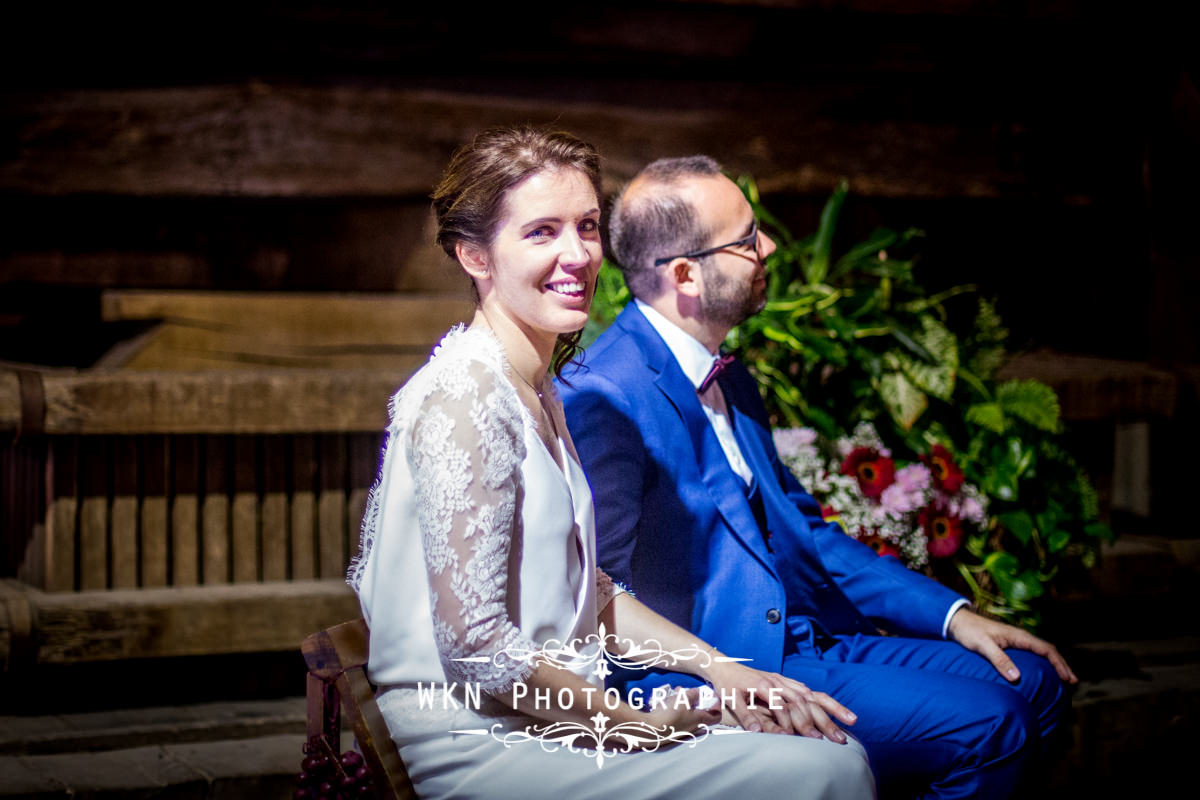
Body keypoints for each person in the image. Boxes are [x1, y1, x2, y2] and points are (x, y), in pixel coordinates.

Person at [347, 129, 875, 800]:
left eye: (588, 226)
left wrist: (722, 671)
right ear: (475, 254)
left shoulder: (534, 384)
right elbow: (479, 650)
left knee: (821, 743)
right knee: (831, 769)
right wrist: (635, 723)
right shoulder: (464, 398)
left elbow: (586, 593)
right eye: (542, 232)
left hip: (558, 717)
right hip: (487, 745)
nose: (578, 255)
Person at [558, 155, 1077, 800]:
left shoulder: (730, 374)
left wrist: (951, 615)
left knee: (1034, 681)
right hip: (727, 671)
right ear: (686, 274)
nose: (768, 246)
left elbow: (805, 530)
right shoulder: (604, 394)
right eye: (747, 239)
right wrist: (713, 685)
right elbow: (595, 593)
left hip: (810, 639)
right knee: (993, 724)